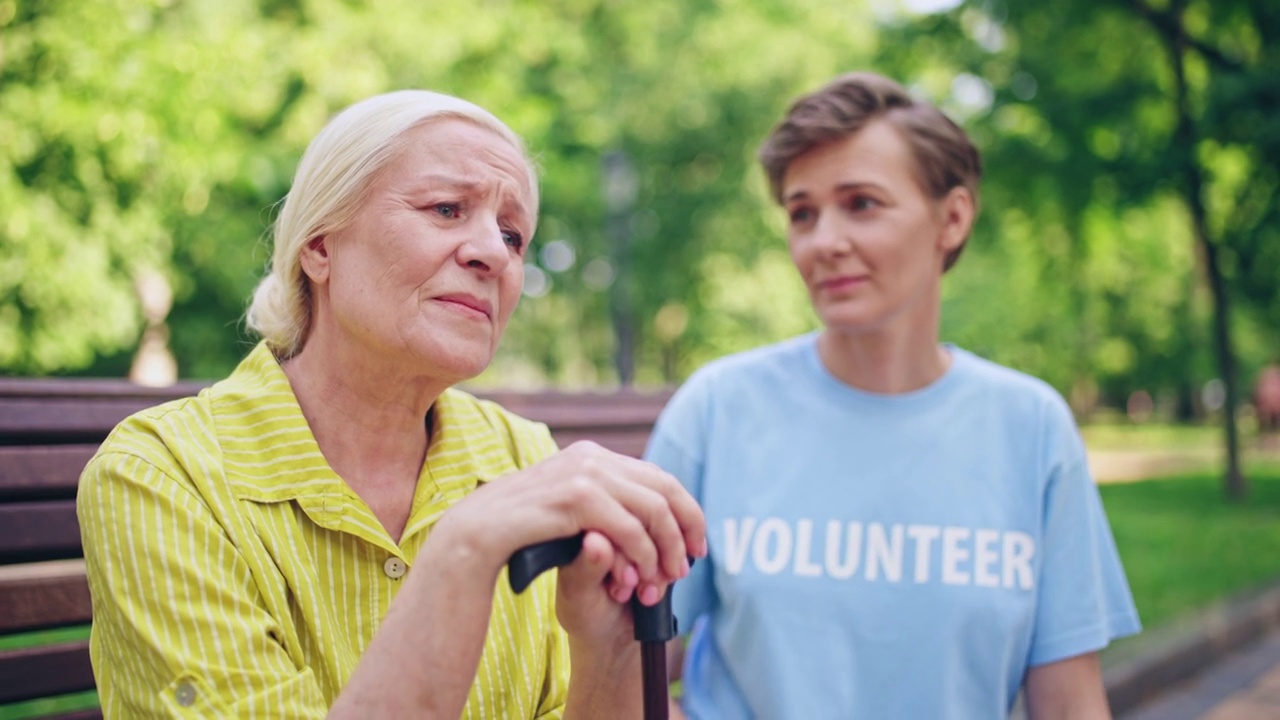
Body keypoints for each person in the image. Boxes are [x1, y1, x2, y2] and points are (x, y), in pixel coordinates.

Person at [77, 89, 706, 719]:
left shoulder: (524, 456)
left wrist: (608, 649)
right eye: (445, 208)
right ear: (320, 246)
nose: (492, 253)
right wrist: (464, 550)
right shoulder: (160, 478)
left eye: (513, 236)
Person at [644, 72, 1141, 719]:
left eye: (862, 203)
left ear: (953, 218)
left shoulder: (1032, 426)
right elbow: (629, 669)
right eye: (802, 213)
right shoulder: (716, 410)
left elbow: (1070, 705)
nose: (825, 242)